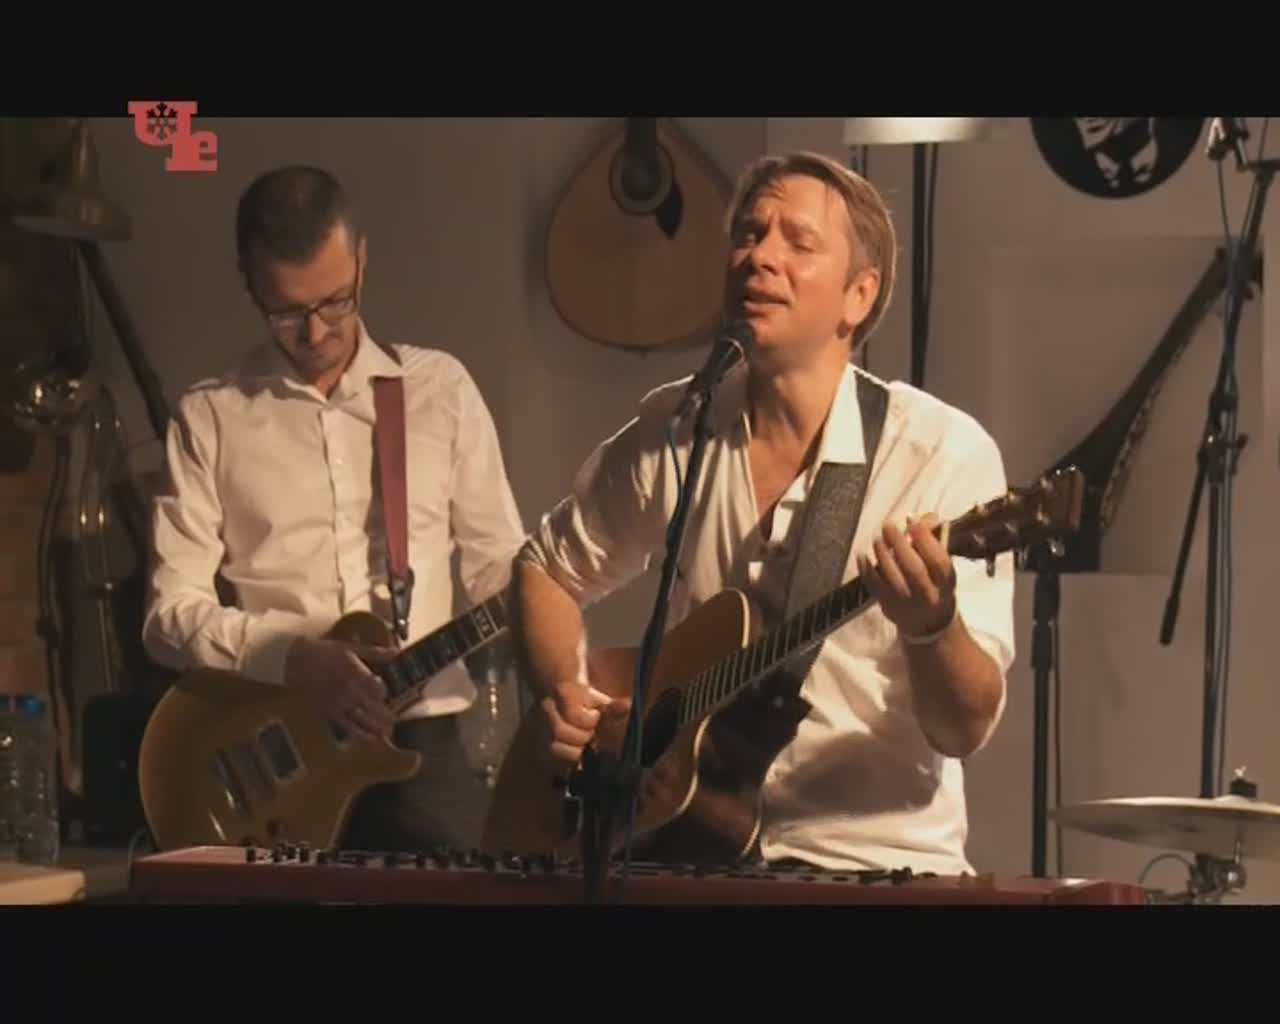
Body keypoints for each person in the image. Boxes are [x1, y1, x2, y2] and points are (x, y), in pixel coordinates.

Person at [511, 150, 1015, 877]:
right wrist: (566, 696)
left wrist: (931, 625)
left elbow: (963, 729)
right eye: (749, 234)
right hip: (682, 857)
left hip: (873, 866)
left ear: (859, 295)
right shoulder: (678, 426)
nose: (759, 257)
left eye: (798, 242)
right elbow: (546, 569)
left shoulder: (939, 453)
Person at [142, 164, 527, 853]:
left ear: (362, 261)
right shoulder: (210, 415)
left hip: (423, 747)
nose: (317, 332)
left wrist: (556, 600)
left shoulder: (438, 390)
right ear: (249, 283)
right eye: (288, 312)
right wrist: (289, 658)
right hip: (276, 755)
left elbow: (498, 567)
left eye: (336, 301)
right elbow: (168, 618)